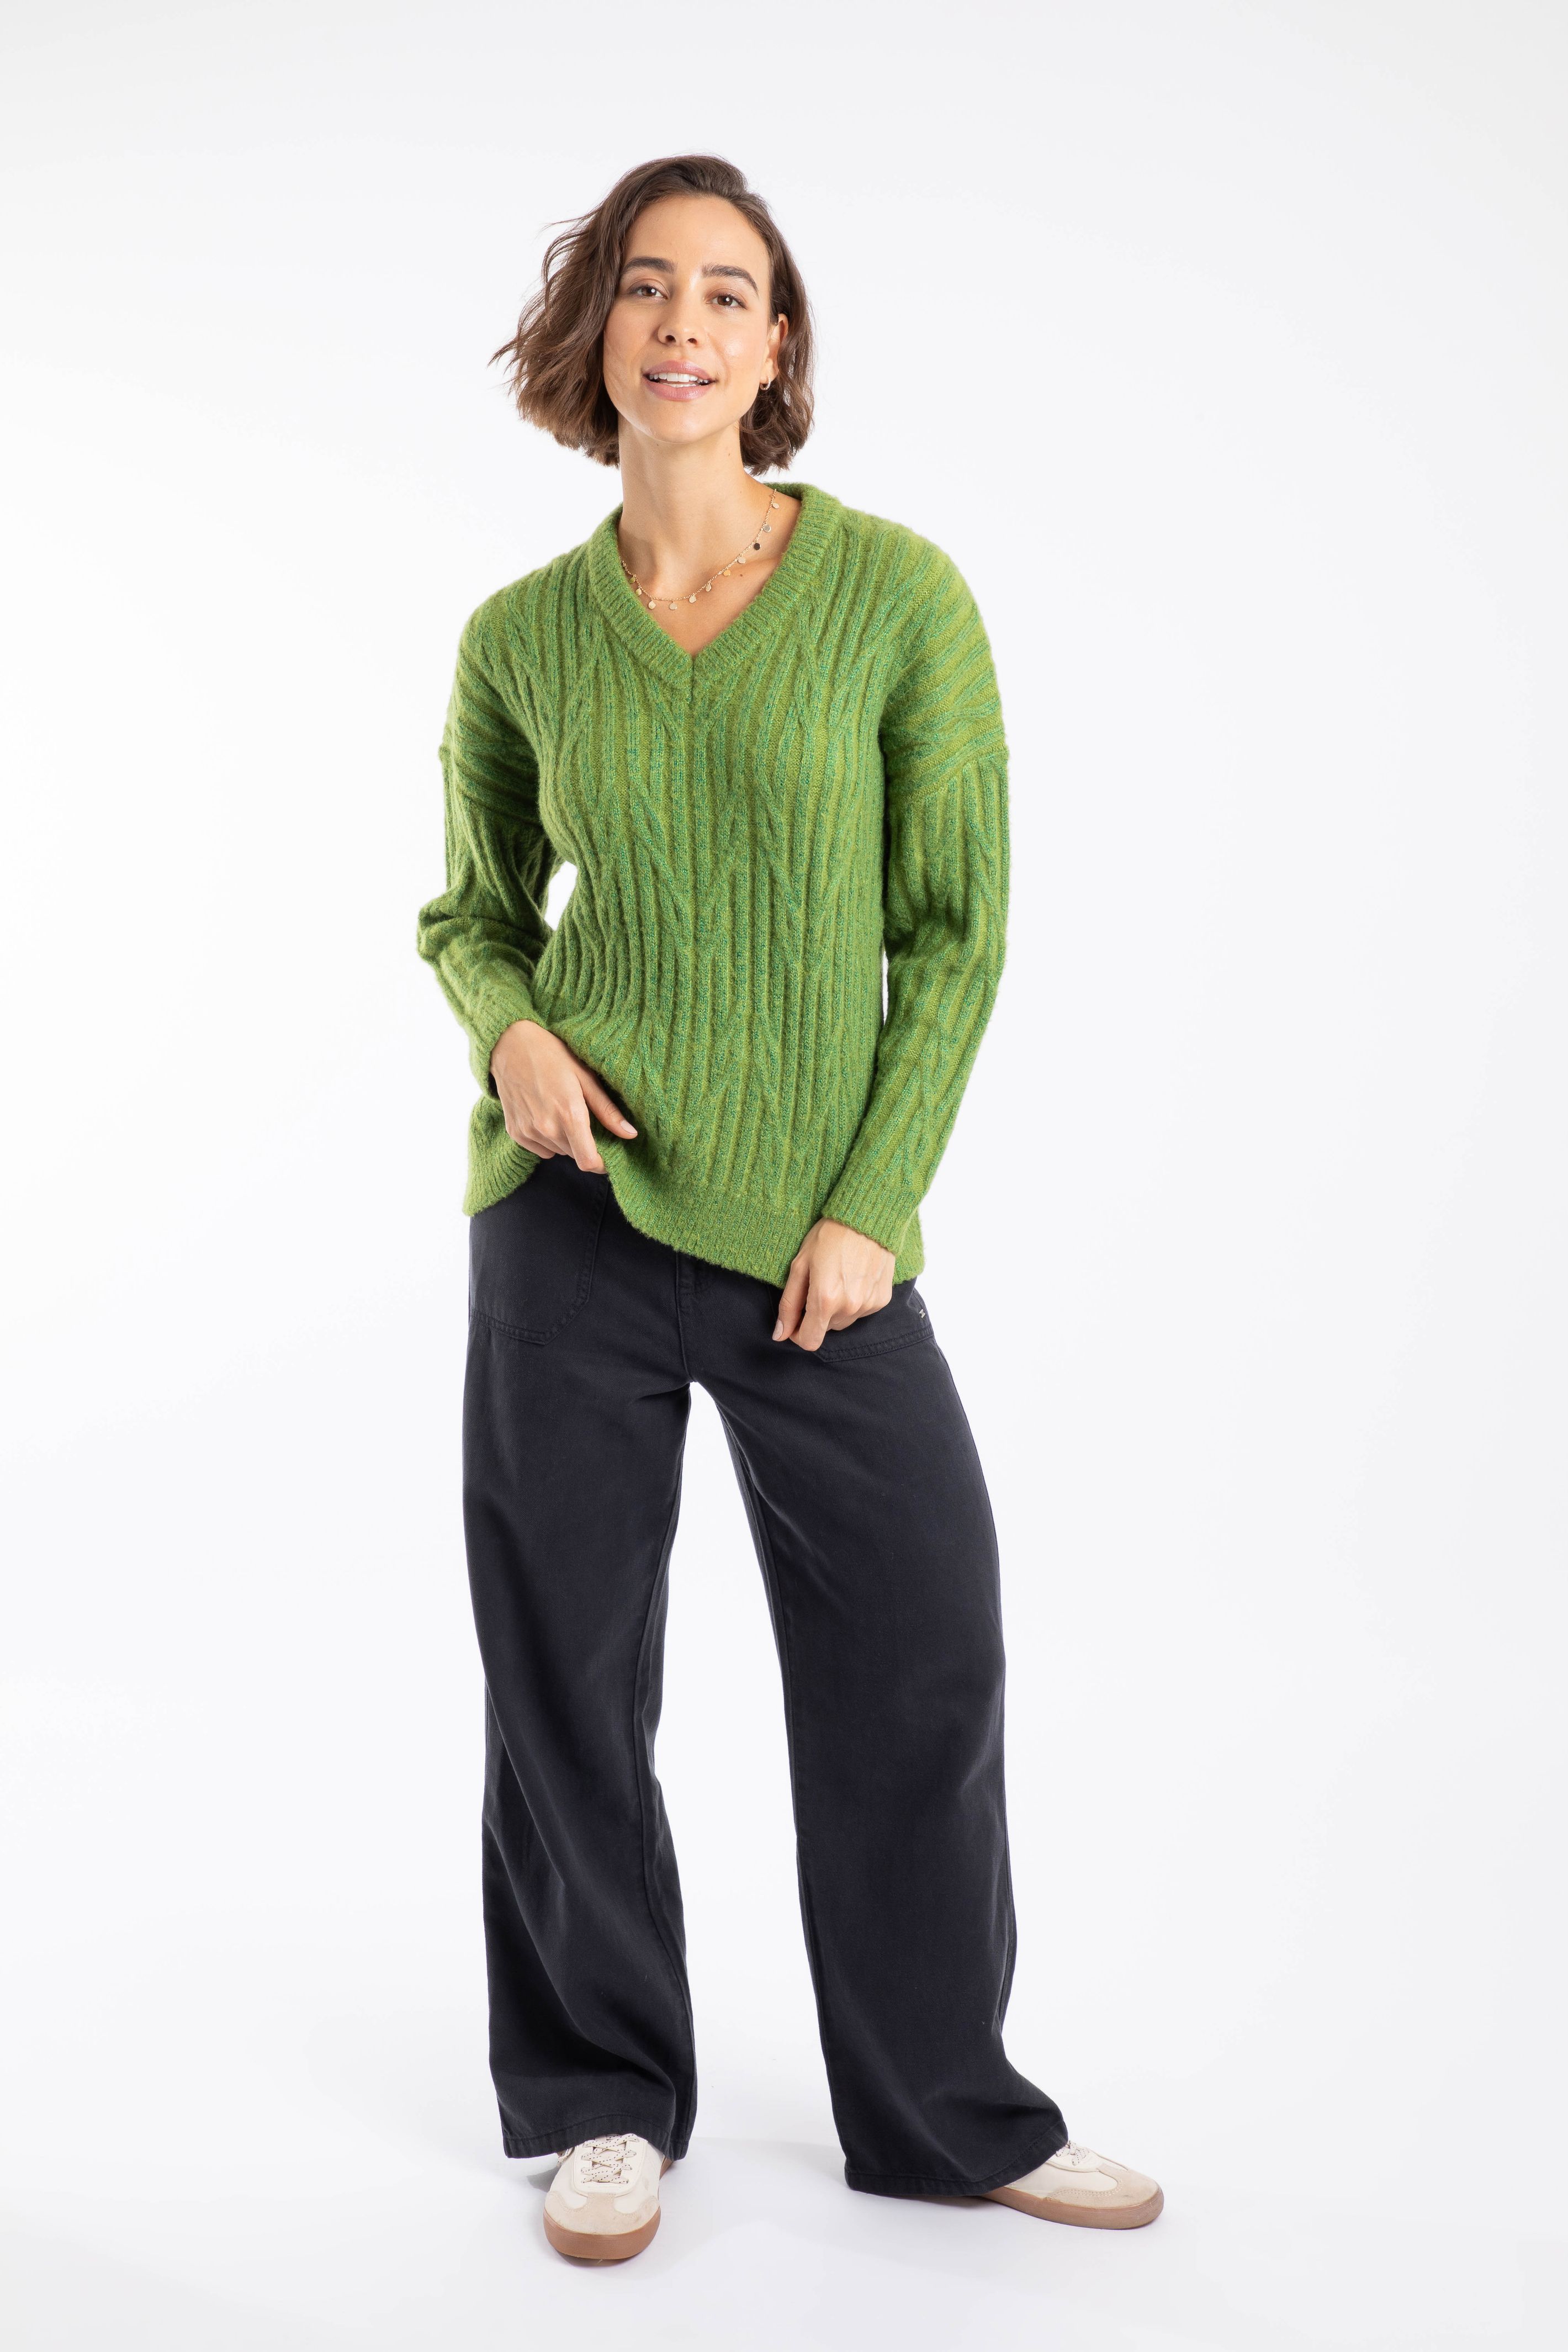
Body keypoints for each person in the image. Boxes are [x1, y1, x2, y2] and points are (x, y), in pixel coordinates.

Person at [416, 151, 1162, 2264]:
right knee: (566, 1674)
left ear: (776, 345)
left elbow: (958, 934)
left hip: (819, 1251)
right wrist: (509, 1034)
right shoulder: (519, 638)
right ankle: (597, 2100)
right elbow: (472, 911)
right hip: (566, 1219)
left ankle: (942, 2107)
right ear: (595, 333)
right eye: (646, 286)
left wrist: (872, 1203)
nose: (684, 324)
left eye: (727, 294)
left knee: (925, 1644)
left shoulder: (899, 597)